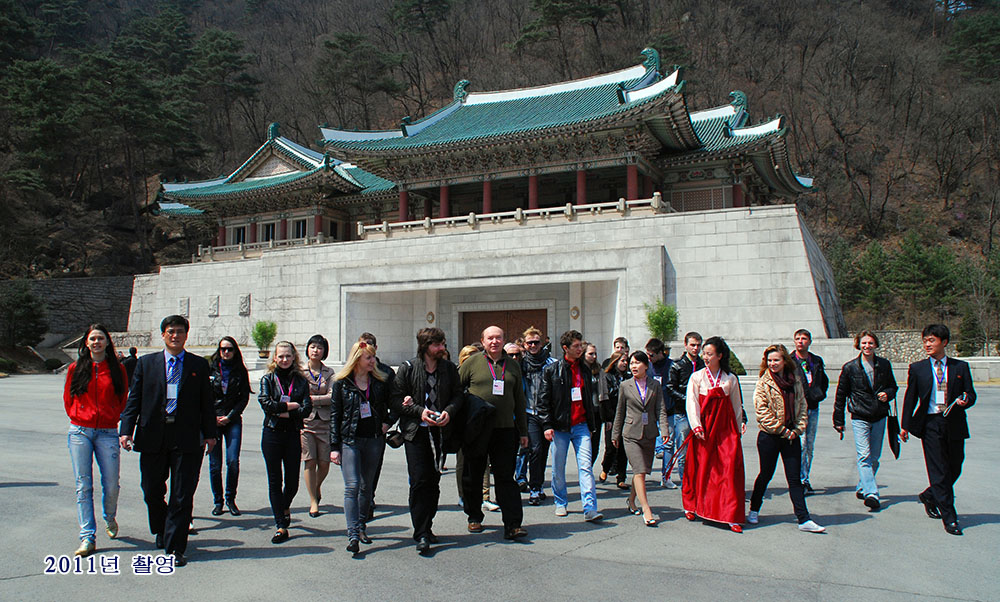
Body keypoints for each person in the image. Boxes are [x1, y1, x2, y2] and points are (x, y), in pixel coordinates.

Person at [119, 315, 216, 567]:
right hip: (153, 434)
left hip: (187, 437)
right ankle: (162, 528)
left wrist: (210, 433)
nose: (176, 335)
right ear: (163, 334)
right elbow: (134, 400)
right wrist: (126, 430)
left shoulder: (198, 365)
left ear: (186, 335)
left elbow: (207, 402)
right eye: (171, 331)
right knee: (151, 490)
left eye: (180, 331)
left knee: (182, 495)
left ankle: (175, 547)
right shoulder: (146, 364)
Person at [391, 327, 464, 553]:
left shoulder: (449, 369)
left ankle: (427, 525)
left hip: (440, 432)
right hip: (416, 432)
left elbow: (459, 395)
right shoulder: (408, 368)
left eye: (443, 343)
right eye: (437, 345)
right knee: (419, 481)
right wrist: (418, 411)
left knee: (434, 481)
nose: (442, 348)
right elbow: (395, 400)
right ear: (425, 346)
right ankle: (420, 532)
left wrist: (449, 412)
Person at [901, 324, 976, 536]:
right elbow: (910, 398)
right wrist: (905, 425)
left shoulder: (960, 367)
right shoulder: (918, 368)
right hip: (930, 423)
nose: (927, 344)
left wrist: (966, 400)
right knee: (939, 471)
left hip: (954, 422)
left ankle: (929, 495)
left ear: (944, 342)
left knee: (955, 466)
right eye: (925, 340)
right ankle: (950, 517)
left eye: (931, 340)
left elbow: (971, 394)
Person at [458, 325, 529, 540]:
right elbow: (456, 393)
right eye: (490, 338)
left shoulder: (513, 366)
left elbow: (520, 400)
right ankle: (474, 517)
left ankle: (513, 524)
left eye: (498, 338)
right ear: (483, 340)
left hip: (505, 429)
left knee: (506, 477)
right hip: (477, 431)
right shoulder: (472, 364)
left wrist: (523, 431)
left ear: (503, 340)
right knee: (473, 475)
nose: (494, 342)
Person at [64, 324, 128, 557]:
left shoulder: (116, 369)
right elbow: (68, 397)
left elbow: (123, 397)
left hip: (107, 432)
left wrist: (113, 416)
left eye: (101, 338)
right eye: (92, 339)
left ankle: (109, 517)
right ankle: (87, 536)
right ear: (86, 343)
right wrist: (77, 415)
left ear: (107, 342)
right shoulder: (76, 368)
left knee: (111, 483)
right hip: (80, 431)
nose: (96, 342)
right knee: (84, 485)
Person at [749, 344, 825, 533]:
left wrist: (797, 429)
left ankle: (803, 518)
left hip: (791, 436)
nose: (772, 363)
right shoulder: (763, 382)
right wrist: (782, 430)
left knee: (794, 479)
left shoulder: (795, 380)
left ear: (785, 361)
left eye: (776, 360)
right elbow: (762, 412)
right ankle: (754, 509)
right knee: (765, 474)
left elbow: (802, 407)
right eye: (769, 360)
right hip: (770, 436)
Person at [331, 341, 393, 555]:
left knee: (367, 486)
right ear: (357, 359)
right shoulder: (341, 383)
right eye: (369, 358)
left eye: (373, 357)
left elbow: (393, 405)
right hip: (350, 440)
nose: (373, 361)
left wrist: (388, 422)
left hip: (374, 439)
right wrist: (334, 446)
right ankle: (352, 534)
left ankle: (361, 526)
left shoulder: (379, 382)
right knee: (353, 486)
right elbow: (335, 416)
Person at [538, 330, 603, 522]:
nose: (580, 349)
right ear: (565, 348)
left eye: (581, 345)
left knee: (585, 467)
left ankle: (590, 507)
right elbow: (543, 400)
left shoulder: (585, 369)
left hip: (581, 425)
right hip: (560, 427)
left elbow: (589, 400)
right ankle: (560, 502)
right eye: (576, 346)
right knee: (559, 467)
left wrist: (592, 426)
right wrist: (547, 425)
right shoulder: (552, 370)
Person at [683, 336, 745, 532]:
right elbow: (692, 403)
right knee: (700, 468)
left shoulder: (730, 379)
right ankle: (693, 505)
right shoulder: (697, 377)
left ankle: (730, 514)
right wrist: (696, 426)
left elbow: (736, 406)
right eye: (704, 353)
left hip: (725, 430)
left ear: (720, 355)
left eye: (710, 354)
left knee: (728, 469)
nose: (705, 357)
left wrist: (737, 427)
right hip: (704, 428)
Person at [832, 331, 897, 510]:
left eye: (870, 343)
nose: (867, 346)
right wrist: (838, 419)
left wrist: (888, 394)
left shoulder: (884, 365)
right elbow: (841, 394)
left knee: (875, 457)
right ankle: (872, 493)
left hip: (879, 415)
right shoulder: (850, 367)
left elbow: (893, 387)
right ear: (858, 345)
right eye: (864, 343)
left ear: (875, 345)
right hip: (859, 415)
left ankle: (863, 485)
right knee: (864, 455)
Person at [259, 341, 311, 544]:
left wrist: (283, 411)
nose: (284, 359)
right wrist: (291, 406)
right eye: (280, 356)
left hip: (292, 434)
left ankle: (284, 505)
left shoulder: (300, 380)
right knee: (275, 480)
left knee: (292, 483)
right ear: (274, 358)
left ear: (294, 357)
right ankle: (280, 524)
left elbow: (306, 408)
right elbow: (266, 404)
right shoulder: (267, 379)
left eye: (288, 356)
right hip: (272, 434)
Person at [612, 350, 669, 525]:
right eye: (631, 363)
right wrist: (615, 433)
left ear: (646, 365)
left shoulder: (655, 385)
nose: (633, 366)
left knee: (642, 472)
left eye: (637, 363)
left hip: (650, 433)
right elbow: (619, 411)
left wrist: (665, 430)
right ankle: (647, 509)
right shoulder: (625, 385)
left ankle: (631, 500)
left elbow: (660, 409)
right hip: (631, 434)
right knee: (639, 470)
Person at [207, 336, 250, 517]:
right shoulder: (209, 369)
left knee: (232, 461)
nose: (226, 352)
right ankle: (218, 501)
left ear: (235, 351)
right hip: (213, 420)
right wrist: (213, 417)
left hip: (232, 420)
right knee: (215, 464)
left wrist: (230, 416)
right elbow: (203, 396)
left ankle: (230, 498)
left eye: (230, 349)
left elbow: (244, 397)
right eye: (223, 349)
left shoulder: (240, 370)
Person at [358, 332, 395, 519]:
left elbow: (395, 402)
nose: (366, 348)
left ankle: (368, 499)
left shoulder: (386, 372)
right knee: (354, 472)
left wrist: (388, 422)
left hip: (376, 429)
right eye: (362, 345)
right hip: (354, 430)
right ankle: (358, 502)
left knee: (373, 468)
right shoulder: (351, 372)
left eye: (370, 345)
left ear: (376, 347)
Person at [519, 326, 556, 506]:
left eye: (536, 342)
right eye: (530, 343)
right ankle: (534, 488)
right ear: (524, 344)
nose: (533, 345)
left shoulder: (552, 363)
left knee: (544, 452)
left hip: (547, 414)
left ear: (542, 343)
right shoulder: (521, 363)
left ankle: (539, 484)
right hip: (530, 412)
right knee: (535, 450)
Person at [791, 329, 829, 495]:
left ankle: (804, 478)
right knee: (797, 444)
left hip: (812, 407)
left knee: (808, 445)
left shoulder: (816, 361)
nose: (801, 341)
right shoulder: (789, 361)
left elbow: (824, 382)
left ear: (810, 341)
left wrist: (819, 394)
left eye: (804, 338)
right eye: (798, 338)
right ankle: (797, 479)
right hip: (796, 409)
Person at [301, 334, 334, 518]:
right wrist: (319, 400)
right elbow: (298, 395)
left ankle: (316, 486)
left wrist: (313, 399)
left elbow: (332, 396)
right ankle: (313, 500)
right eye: (312, 346)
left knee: (324, 462)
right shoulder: (299, 372)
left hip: (325, 422)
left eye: (319, 348)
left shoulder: (329, 373)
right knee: (309, 460)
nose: (315, 350)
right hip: (305, 422)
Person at [665, 331, 703, 488]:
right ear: (686, 345)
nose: (696, 348)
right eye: (693, 345)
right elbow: (669, 388)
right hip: (682, 413)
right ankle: (686, 482)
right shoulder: (677, 365)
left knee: (700, 450)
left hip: (702, 413)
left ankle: (700, 482)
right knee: (683, 451)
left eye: (698, 345)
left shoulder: (703, 364)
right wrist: (687, 399)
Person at [598, 350, 629, 489]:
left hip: (627, 416)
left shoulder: (628, 377)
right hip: (612, 415)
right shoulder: (607, 376)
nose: (625, 363)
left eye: (626, 361)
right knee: (611, 447)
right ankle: (605, 468)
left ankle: (621, 477)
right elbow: (605, 398)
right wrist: (608, 418)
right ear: (615, 362)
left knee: (624, 448)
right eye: (622, 361)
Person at [645, 338, 674, 480]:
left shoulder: (671, 366)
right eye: (647, 355)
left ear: (660, 353)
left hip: (668, 410)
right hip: (651, 411)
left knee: (668, 444)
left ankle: (666, 476)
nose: (649, 358)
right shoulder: (648, 367)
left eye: (651, 355)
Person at [582, 342, 603, 468]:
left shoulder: (598, 370)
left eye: (595, 354)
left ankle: (588, 468)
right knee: (585, 445)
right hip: (583, 413)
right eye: (590, 354)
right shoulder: (579, 370)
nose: (594, 356)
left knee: (595, 446)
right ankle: (584, 470)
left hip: (596, 412)